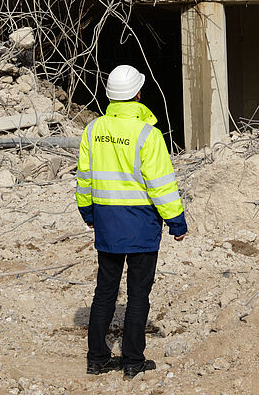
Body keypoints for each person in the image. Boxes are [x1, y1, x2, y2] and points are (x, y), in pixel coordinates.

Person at [75, 64, 187, 380]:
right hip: (141, 225)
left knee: (104, 292)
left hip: (108, 223)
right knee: (138, 294)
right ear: (138, 94)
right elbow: (161, 185)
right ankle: (133, 361)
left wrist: (87, 212)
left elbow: (84, 178)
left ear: (111, 95)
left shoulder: (93, 130)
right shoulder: (147, 135)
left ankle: (96, 359)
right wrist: (176, 221)